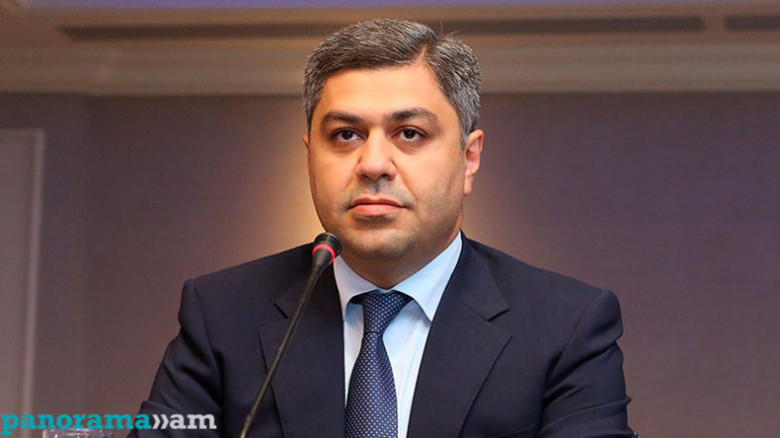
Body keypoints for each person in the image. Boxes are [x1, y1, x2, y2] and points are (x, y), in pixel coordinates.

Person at [131, 18, 634, 438]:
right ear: (309, 158)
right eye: (345, 135)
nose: (373, 163)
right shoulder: (223, 313)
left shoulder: (565, 326)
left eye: (409, 133)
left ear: (469, 157)